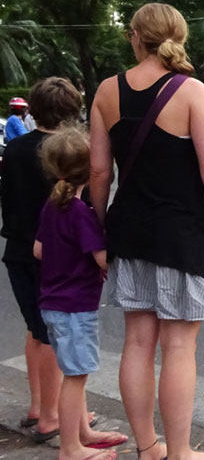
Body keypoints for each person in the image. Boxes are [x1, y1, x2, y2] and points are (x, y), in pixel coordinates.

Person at [90, 2, 204, 460]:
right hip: (183, 233)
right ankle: (181, 453)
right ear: (179, 38)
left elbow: (98, 173)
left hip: (129, 231)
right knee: (178, 346)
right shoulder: (191, 91)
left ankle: (148, 447)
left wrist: (99, 228)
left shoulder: (107, 91)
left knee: (136, 342)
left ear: (135, 37)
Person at [1, 78, 90, 444]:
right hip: (57, 257)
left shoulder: (15, 149)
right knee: (57, 335)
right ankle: (53, 417)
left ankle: (41, 406)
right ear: (72, 112)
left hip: (18, 252)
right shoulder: (71, 152)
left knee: (36, 330)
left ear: (32, 110)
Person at [35, 127, 128, 460]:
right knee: (75, 377)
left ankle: (83, 432)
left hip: (53, 304)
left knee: (74, 371)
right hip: (76, 308)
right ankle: (70, 448)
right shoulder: (82, 214)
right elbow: (101, 258)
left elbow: (38, 251)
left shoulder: (52, 207)